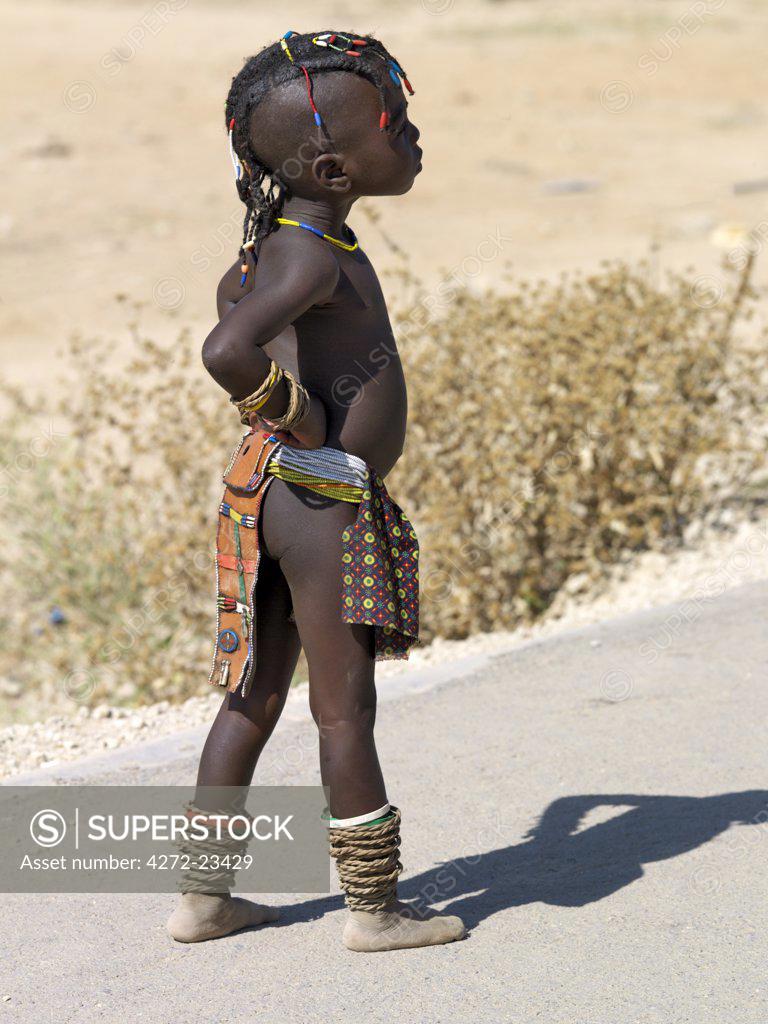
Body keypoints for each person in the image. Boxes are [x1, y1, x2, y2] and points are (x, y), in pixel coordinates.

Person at [167, 30, 465, 953]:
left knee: (252, 701)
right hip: (322, 506)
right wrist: (292, 412)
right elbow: (227, 349)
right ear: (334, 165)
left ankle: (205, 901)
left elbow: (232, 304)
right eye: (397, 123)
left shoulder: (282, 247)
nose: (413, 136)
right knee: (343, 709)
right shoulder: (311, 257)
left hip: (275, 504)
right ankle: (375, 912)